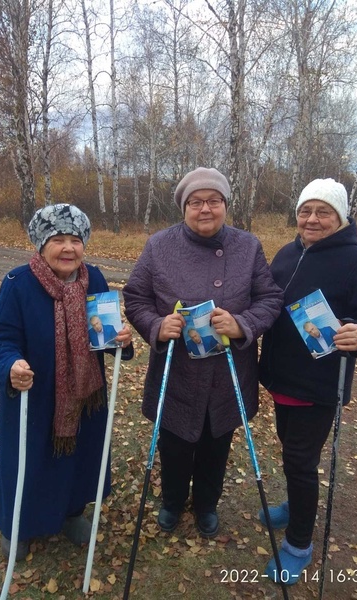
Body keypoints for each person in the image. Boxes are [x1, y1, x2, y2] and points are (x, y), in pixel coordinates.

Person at [123, 167, 283, 537]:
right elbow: (135, 297)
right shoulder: (159, 246)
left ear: (226, 205)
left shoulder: (248, 246)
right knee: (175, 444)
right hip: (176, 373)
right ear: (184, 207)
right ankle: (173, 501)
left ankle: (207, 504)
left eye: (214, 201)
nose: (205, 209)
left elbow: (270, 298)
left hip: (227, 375)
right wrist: (156, 325)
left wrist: (242, 323)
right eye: (196, 202)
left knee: (216, 444)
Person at [0, 203, 133, 560]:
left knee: (80, 457)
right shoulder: (17, 284)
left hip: (85, 394)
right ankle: (17, 525)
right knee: (26, 463)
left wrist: (121, 341)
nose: (69, 248)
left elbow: (107, 332)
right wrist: (11, 365)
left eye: (75, 240)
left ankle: (72, 512)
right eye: (59, 239)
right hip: (33, 396)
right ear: (41, 244)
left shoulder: (93, 278)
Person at [259, 178, 357, 584]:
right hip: (281, 377)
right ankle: (295, 507)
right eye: (305, 211)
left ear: (340, 216)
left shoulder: (356, 260)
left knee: (301, 461)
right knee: (292, 452)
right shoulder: (287, 251)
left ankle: (299, 544)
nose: (312, 219)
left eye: (323, 212)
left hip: (317, 384)